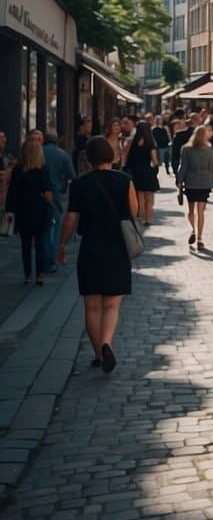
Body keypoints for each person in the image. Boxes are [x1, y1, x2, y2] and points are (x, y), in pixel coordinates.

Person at [57, 137, 136, 373]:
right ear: (111, 156)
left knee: (91, 306)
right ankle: (106, 343)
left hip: (91, 246)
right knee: (111, 305)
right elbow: (134, 212)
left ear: (88, 159)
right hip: (117, 247)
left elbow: (71, 219)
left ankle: (98, 355)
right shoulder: (125, 181)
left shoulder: (80, 184)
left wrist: (61, 244)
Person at [6, 138, 53, 284]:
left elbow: (12, 192)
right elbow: (47, 193)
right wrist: (51, 202)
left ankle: (27, 274)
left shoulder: (17, 170)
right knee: (40, 244)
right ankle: (39, 274)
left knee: (25, 244)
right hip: (39, 209)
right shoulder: (42, 170)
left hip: (22, 210)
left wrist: (9, 210)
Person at [177, 125, 213, 250]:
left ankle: (193, 230)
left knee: (190, 210)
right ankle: (200, 238)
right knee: (201, 211)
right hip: (205, 183)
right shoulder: (209, 149)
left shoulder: (186, 149)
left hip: (191, 182)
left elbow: (183, 167)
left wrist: (179, 181)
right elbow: (212, 168)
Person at [41, 132, 75, 273]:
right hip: (55, 193)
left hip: (38, 193)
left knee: (42, 228)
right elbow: (71, 175)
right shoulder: (63, 155)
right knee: (54, 227)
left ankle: (43, 257)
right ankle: (50, 260)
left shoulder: (39, 152)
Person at [125, 121, 160, 226]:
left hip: (137, 172)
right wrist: (155, 170)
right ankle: (148, 219)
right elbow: (155, 161)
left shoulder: (133, 143)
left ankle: (139, 217)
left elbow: (128, 158)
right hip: (148, 172)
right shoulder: (151, 144)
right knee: (149, 199)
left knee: (139, 198)